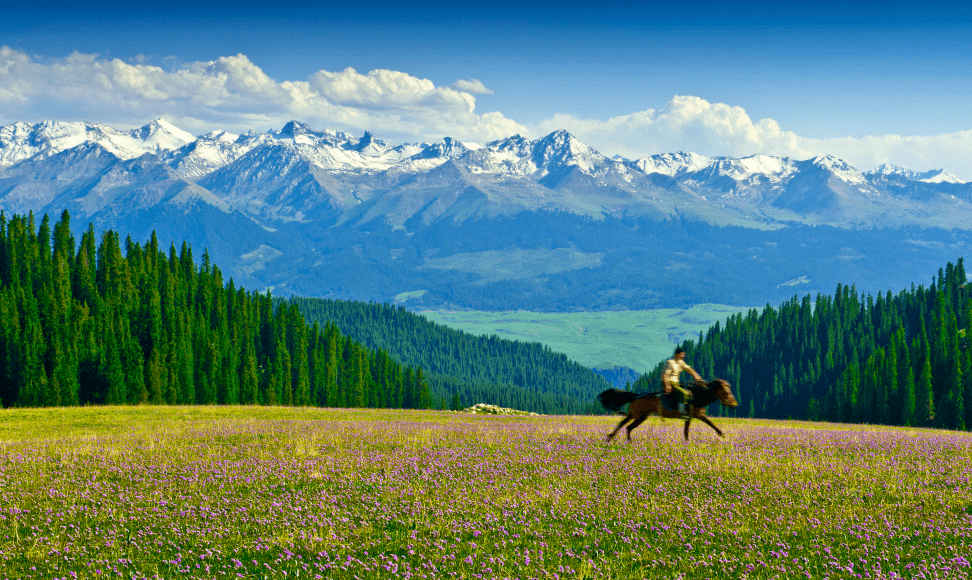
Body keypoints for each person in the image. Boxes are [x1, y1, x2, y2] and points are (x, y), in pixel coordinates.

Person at [662, 347, 703, 417]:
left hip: (677, 383)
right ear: (677, 354)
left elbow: (689, 369)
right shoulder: (670, 362)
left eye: (684, 354)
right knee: (684, 393)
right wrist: (667, 384)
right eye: (682, 354)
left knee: (690, 392)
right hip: (671, 383)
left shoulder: (681, 362)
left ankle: (688, 411)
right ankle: (681, 413)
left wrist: (696, 376)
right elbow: (666, 374)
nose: (683, 356)